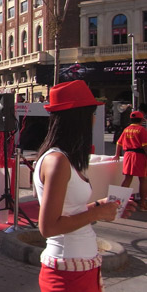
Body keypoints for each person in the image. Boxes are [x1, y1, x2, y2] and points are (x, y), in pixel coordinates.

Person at [34, 80, 135, 291]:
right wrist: (97, 213)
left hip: (78, 267)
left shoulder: (63, 159)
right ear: (79, 117)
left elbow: (69, 211)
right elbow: (49, 227)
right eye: (92, 113)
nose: (94, 119)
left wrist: (100, 206)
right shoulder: (58, 161)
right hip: (67, 272)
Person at [113, 111, 147, 212]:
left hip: (128, 155)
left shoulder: (126, 129)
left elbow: (119, 143)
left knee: (127, 179)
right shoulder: (141, 129)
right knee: (143, 179)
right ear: (141, 120)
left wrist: (116, 155)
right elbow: (145, 146)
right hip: (139, 156)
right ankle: (143, 204)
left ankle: (119, 203)